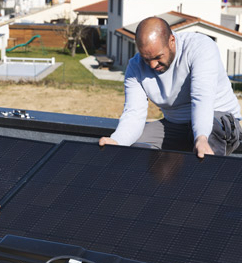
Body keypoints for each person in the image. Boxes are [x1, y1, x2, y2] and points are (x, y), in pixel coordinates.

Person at [99, 17, 242, 158]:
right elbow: (134, 113)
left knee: (206, 144)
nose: (153, 65)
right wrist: (116, 141)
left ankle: (206, 178)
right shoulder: (135, 67)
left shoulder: (200, 47)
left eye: (158, 57)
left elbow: (202, 98)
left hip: (216, 120)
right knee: (137, 146)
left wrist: (201, 137)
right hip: (177, 124)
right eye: (146, 59)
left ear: (172, 41)